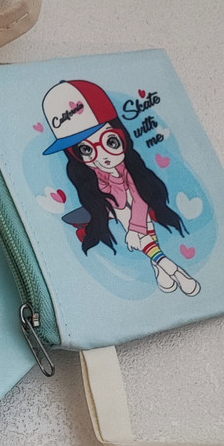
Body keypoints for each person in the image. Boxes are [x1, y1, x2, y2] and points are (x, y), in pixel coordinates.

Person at [42, 79, 199, 296]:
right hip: (116, 206)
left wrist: (135, 226)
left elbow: (139, 197)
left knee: (142, 233)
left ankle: (167, 270)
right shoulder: (95, 181)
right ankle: (174, 271)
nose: (102, 157)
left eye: (110, 142)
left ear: (121, 134)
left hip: (132, 202)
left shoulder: (132, 173)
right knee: (143, 236)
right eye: (86, 150)